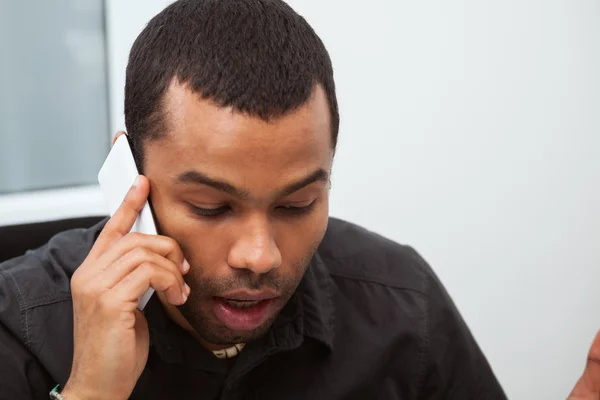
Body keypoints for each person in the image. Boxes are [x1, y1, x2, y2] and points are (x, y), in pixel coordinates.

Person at [0, 0, 597, 399]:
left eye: (296, 206)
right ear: (131, 174)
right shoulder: (22, 325)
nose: (259, 257)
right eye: (211, 207)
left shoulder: (399, 308)